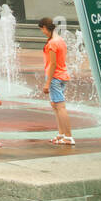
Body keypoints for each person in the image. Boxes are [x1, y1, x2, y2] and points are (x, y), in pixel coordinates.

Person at [39, 18, 74, 146]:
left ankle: (69, 137)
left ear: (44, 27)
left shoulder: (52, 43)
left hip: (54, 77)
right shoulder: (60, 40)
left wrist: (47, 82)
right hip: (62, 75)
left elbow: (53, 64)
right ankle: (61, 135)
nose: (42, 32)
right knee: (56, 106)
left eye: (42, 29)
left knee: (60, 107)